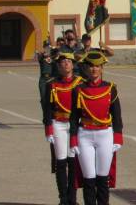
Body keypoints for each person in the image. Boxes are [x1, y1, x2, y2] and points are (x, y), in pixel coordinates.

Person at [69, 50, 123, 205]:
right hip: (84, 134)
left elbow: (117, 116)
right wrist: (73, 140)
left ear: (102, 68)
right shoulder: (78, 89)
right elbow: (73, 117)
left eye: (97, 66)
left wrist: (118, 137)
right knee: (88, 178)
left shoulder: (110, 88)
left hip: (104, 135)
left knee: (102, 177)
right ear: (86, 68)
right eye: (91, 66)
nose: (94, 69)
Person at [42, 51, 84, 205]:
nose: (66, 63)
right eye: (62, 62)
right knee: (61, 162)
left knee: (73, 162)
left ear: (73, 65)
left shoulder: (80, 83)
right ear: (58, 66)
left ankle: (72, 198)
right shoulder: (51, 84)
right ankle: (63, 199)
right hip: (59, 124)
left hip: (76, 125)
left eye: (68, 61)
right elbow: (47, 108)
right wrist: (48, 128)